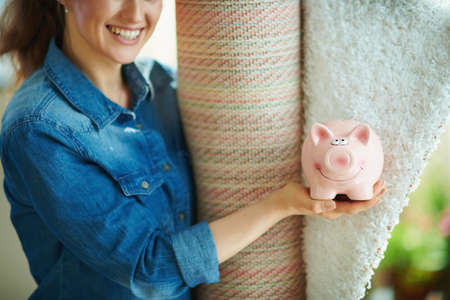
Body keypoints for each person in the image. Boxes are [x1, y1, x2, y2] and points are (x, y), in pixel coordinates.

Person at [0, 0, 387, 299]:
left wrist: (333, 173)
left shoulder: (163, 86)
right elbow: (151, 268)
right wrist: (282, 203)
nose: (136, 13)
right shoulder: (38, 127)